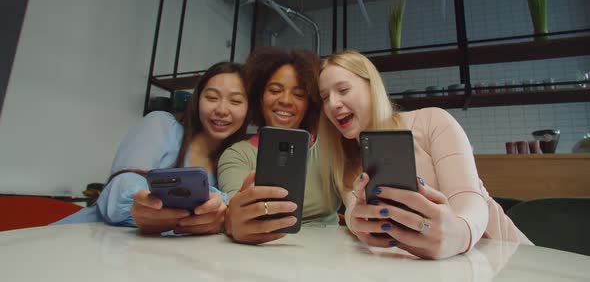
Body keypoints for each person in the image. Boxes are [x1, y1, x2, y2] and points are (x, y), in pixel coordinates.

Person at [317, 50, 532, 259]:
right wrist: (357, 223)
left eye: (343, 90)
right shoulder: (345, 166)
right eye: (325, 97)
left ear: (372, 87)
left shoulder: (431, 121)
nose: (333, 104)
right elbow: (360, 219)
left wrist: (459, 233)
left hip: (508, 258)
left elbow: (469, 198)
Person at [55, 62, 249, 235]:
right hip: (86, 239)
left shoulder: (233, 162)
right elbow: (121, 186)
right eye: (212, 97)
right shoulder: (161, 124)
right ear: (197, 101)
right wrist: (146, 208)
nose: (222, 110)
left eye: (235, 101)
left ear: (248, 110)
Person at [218, 47, 341, 244]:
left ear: (309, 103)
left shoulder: (330, 148)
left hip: (331, 252)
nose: (285, 100)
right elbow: (233, 209)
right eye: (275, 90)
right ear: (260, 97)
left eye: (299, 94)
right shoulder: (237, 154)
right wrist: (234, 220)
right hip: (262, 250)